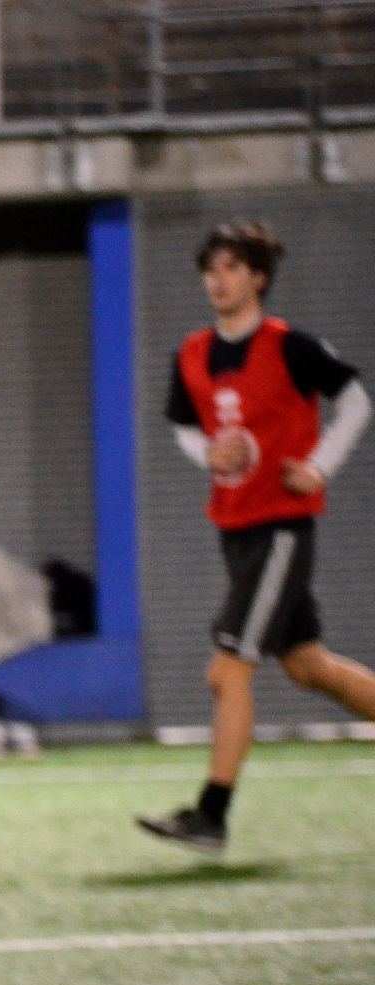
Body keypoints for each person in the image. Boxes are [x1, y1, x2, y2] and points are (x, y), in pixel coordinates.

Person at [136, 222, 374, 853]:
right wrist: (208, 453)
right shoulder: (192, 353)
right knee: (307, 666)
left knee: (227, 670)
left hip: (281, 531)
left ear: (259, 277)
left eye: (232, 267)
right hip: (236, 530)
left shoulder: (291, 346)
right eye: (210, 268)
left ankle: (211, 815)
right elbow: (185, 428)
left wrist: (319, 467)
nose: (218, 280)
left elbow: (356, 401)